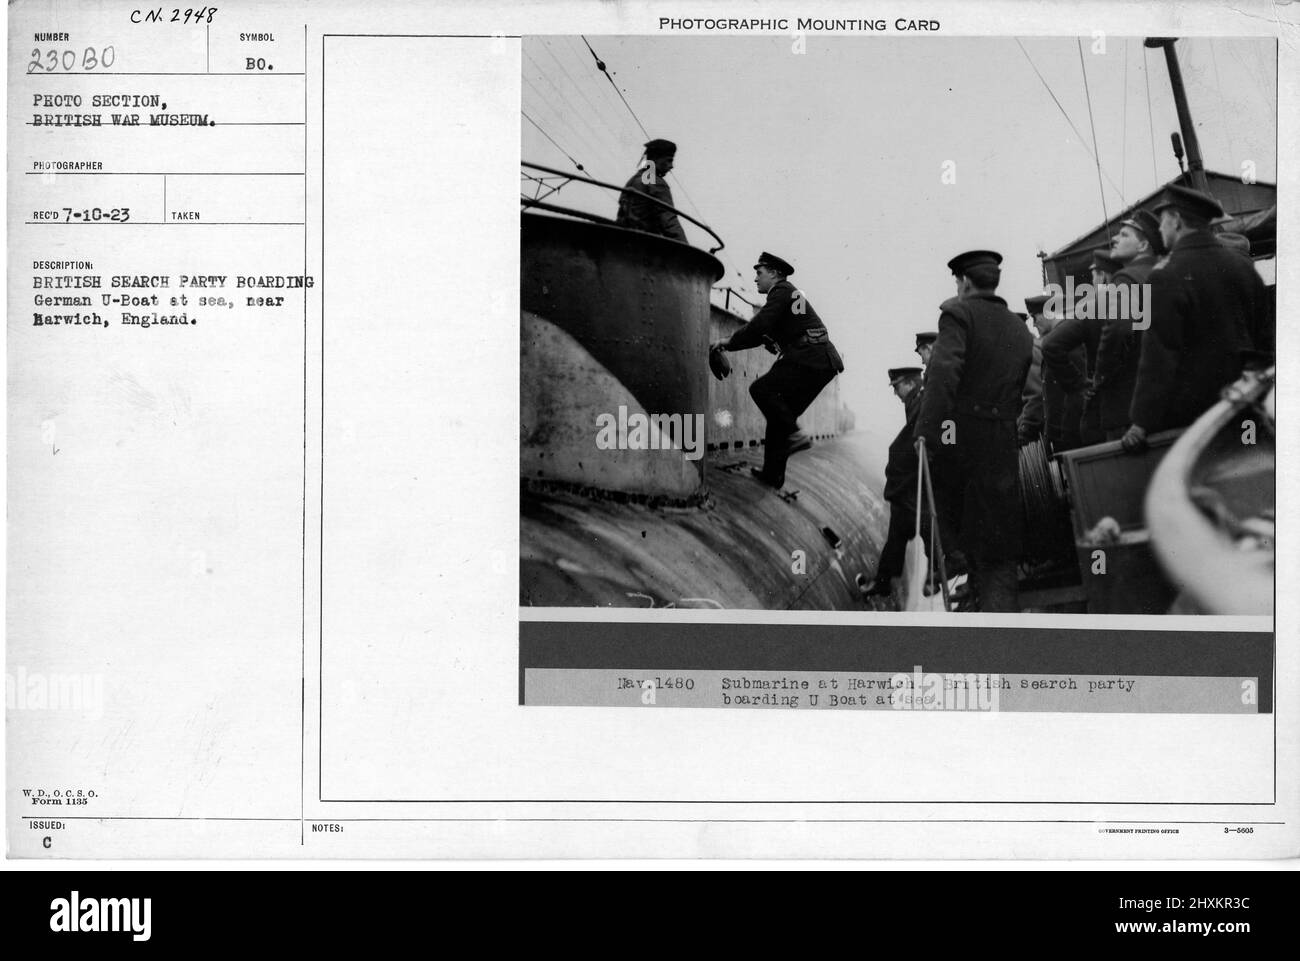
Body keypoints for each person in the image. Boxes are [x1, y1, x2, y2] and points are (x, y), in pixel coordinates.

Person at [915, 250, 1033, 612]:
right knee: (996, 533)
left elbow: (943, 374)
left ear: (964, 281)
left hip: (964, 434)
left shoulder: (958, 313)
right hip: (1002, 438)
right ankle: (996, 605)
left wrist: (927, 430)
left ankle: (952, 561)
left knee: (934, 494)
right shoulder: (1018, 327)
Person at [1122, 185, 1267, 450]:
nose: (1160, 230)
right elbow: (1265, 340)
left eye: (1163, 221)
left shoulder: (1165, 275)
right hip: (1249, 408)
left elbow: (1159, 354)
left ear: (1176, 220)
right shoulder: (1243, 268)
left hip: (1197, 420)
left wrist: (1141, 421)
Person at [712, 252, 844, 488]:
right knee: (780, 416)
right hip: (820, 360)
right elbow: (763, 335)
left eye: (759, 273)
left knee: (761, 390)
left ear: (774, 273)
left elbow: (759, 325)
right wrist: (731, 345)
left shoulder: (782, 291)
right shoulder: (790, 297)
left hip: (810, 356)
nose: (756, 279)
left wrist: (726, 342)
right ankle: (773, 475)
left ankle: (795, 435)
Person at [1092, 209, 1163, 441]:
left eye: (1124, 235)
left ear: (1142, 246)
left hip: (1127, 402)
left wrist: (1101, 375)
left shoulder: (1125, 278)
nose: (1115, 239)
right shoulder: (1165, 273)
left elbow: (1118, 330)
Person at [861, 367, 927, 598]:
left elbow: (910, 443)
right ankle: (887, 580)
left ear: (909, 383)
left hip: (919, 481)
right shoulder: (917, 400)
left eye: (897, 386)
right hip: (913, 482)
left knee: (916, 524)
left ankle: (933, 576)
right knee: (901, 528)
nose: (896, 393)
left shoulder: (921, 401)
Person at [1041, 248, 1116, 448]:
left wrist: (1079, 385)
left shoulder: (1091, 309)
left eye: (1093, 277)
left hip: (1104, 411)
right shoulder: (1141, 298)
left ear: (1102, 277)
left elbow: (1050, 345)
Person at [1020, 293, 1082, 451]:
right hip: (1066, 434)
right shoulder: (1062, 338)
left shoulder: (1064, 340)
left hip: (1074, 433)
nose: (1033, 324)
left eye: (1035, 318)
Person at [614, 139, 687, 242]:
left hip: (623, 240)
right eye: (669, 160)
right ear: (655, 159)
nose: (671, 166)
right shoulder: (656, 182)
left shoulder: (633, 180)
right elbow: (669, 222)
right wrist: (687, 250)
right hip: (645, 244)